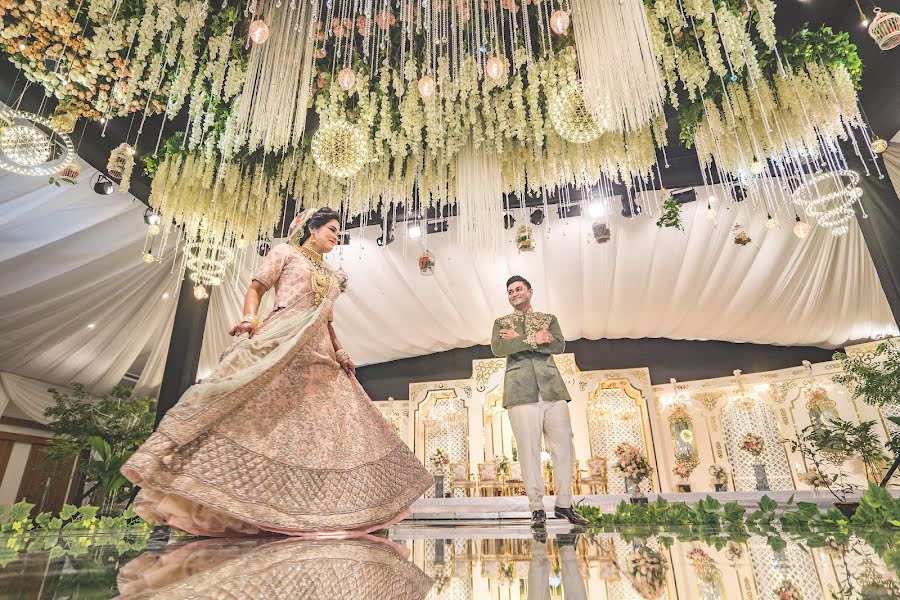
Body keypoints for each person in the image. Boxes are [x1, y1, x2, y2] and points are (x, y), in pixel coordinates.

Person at [122, 207, 433, 537]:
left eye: (338, 231)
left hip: (318, 354)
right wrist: (250, 319)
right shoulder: (285, 252)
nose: (335, 235)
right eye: (330, 228)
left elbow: (325, 320)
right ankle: (230, 499)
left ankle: (315, 510)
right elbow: (257, 288)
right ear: (310, 229)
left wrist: (340, 351)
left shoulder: (329, 273)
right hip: (281, 339)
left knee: (326, 430)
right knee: (257, 417)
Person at [490, 276, 589, 531]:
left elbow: (558, 344)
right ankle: (536, 507)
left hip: (552, 389)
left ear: (530, 291)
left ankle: (564, 503)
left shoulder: (548, 318)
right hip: (520, 391)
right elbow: (499, 347)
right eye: (510, 291)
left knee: (564, 445)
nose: (514, 294)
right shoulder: (501, 323)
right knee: (528, 450)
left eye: (518, 289)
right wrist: (535, 339)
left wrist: (520, 340)